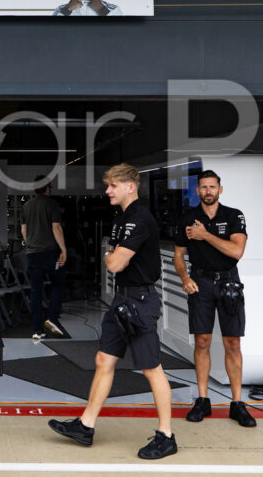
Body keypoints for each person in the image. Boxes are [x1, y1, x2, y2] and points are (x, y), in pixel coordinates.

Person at [49, 164, 177, 459]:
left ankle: (166, 436)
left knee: (151, 367)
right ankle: (85, 426)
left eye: (113, 185)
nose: (107, 191)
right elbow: (114, 255)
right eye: (108, 185)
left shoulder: (140, 219)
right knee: (104, 358)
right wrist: (112, 253)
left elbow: (115, 263)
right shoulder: (122, 218)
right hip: (122, 299)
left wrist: (109, 254)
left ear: (130, 186)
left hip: (140, 301)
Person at [173, 169, 254, 427]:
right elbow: (178, 255)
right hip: (201, 282)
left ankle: (237, 404)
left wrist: (205, 235)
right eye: (204, 187)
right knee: (202, 341)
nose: (208, 191)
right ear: (197, 191)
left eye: (212, 187)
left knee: (232, 343)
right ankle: (203, 400)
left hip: (229, 281)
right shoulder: (188, 217)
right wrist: (185, 278)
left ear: (220, 189)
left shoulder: (233, 215)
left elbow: (236, 251)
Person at [20, 176, 67, 340]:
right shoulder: (52, 204)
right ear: (47, 188)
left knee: (35, 291)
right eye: (50, 187)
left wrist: (31, 245)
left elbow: (23, 230)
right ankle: (52, 318)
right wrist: (63, 249)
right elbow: (56, 228)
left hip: (32, 254)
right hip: (49, 253)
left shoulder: (26, 206)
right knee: (59, 283)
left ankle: (36, 330)